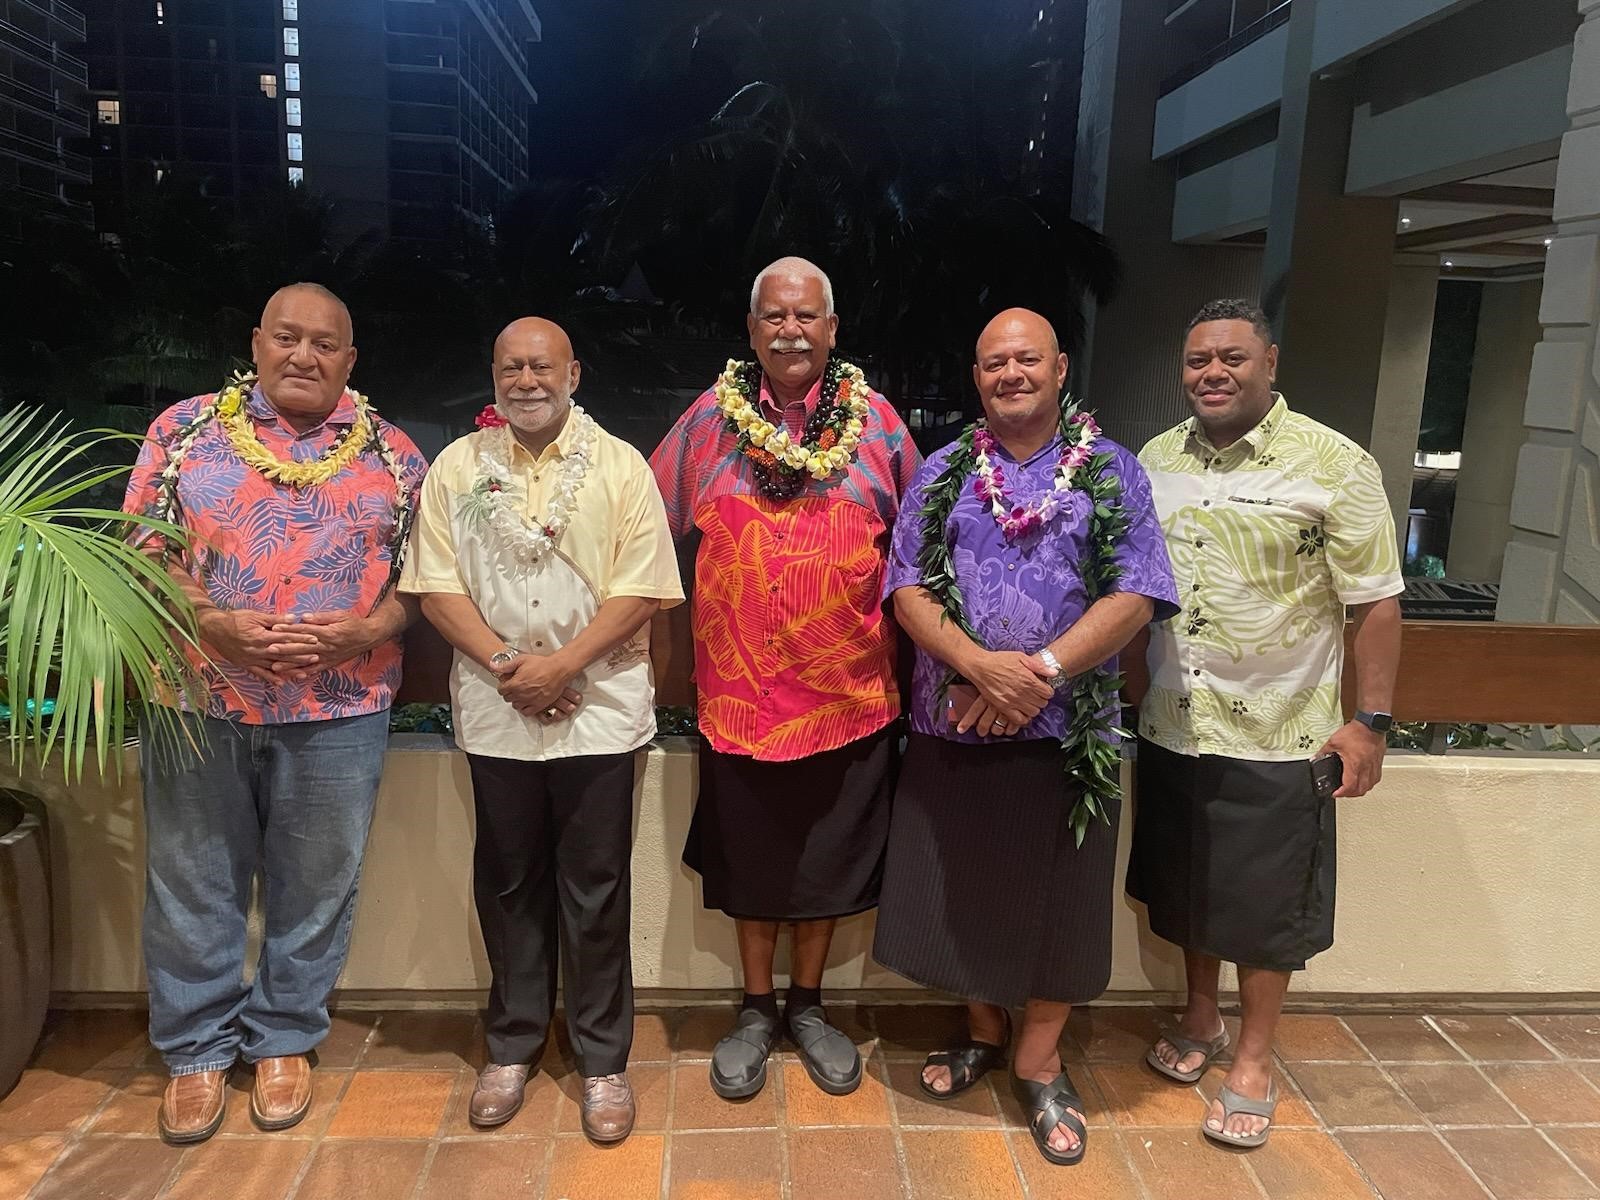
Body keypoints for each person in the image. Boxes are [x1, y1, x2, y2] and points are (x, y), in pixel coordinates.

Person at [123, 283, 428, 1144]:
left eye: (325, 344)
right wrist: (213, 623)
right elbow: (144, 549)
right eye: (288, 338)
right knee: (191, 878)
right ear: (257, 344)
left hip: (341, 704)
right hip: (196, 693)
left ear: (350, 360)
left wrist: (368, 629)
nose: (304, 356)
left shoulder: (397, 454)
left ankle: (286, 1038)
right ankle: (194, 1051)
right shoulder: (182, 434)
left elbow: (428, 576)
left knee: (318, 885)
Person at [873, 308, 1177, 1167]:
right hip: (954, 721)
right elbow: (906, 591)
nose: (1011, 372)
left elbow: (1137, 593)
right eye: (994, 361)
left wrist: (1031, 671)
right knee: (961, 888)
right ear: (977, 377)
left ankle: (1039, 1062)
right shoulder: (940, 474)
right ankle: (979, 1031)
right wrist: (976, 665)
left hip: (1067, 732)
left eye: (1027, 359)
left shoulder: (1112, 473)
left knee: (1060, 904)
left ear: (1060, 367)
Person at [1126, 298, 1403, 1149]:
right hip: (1175, 721)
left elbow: (1378, 602)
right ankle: (1200, 1016)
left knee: (1268, 906)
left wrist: (1371, 723)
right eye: (1198, 360)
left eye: (1232, 358)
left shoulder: (1334, 462)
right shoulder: (1152, 459)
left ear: (1270, 363)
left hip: (1285, 730)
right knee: (1188, 886)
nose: (1213, 372)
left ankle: (1253, 1059)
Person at [401, 318, 682, 1143]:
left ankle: (602, 1062)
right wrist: (508, 665)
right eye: (510, 367)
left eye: (541, 366)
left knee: (596, 888)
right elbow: (437, 588)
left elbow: (642, 589)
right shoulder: (459, 466)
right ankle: (512, 1046)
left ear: (573, 373)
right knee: (510, 881)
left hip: (599, 712)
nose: (526, 379)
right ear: (494, 376)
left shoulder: (622, 466)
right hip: (497, 711)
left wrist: (564, 667)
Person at [649, 256, 920, 1101]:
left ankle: (810, 1004)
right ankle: (756, 1006)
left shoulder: (876, 425)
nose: (791, 330)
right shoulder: (707, 423)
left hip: (848, 698)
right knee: (753, 865)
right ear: (752, 330)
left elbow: (921, 544)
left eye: (806, 316)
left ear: (833, 329)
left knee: (828, 864)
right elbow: (644, 526)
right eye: (774, 317)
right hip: (738, 699)